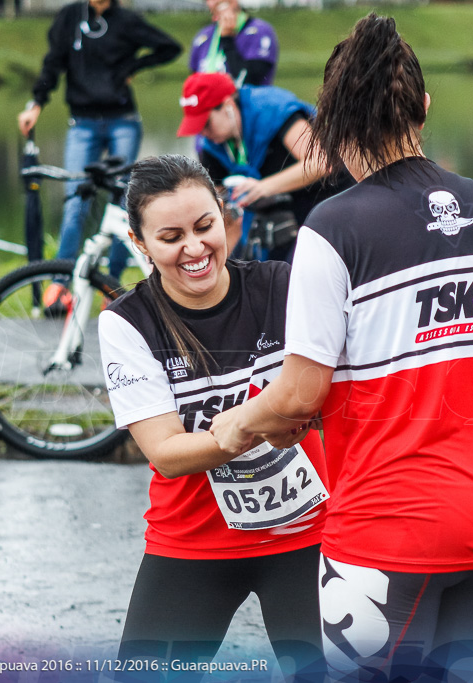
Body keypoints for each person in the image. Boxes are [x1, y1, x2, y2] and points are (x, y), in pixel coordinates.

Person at [210, 14, 473, 680]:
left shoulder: (334, 226)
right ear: (424, 105)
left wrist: (234, 423)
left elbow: (299, 395)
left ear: (329, 125)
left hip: (394, 529)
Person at [97, 155, 328, 680]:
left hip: (309, 535)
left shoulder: (283, 286)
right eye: (171, 236)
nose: (195, 248)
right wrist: (255, 421)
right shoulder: (126, 321)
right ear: (139, 244)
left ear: (225, 217)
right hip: (192, 541)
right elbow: (167, 454)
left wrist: (254, 421)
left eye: (205, 227)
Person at [17, 0, 181, 307]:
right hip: (82, 123)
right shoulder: (70, 17)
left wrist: (133, 67)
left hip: (123, 122)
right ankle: (61, 283)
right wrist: (36, 103)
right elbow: (53, 62)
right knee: (76, 200)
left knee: (124, 204)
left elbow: (169, 47)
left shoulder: (127, 20)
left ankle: (114, 286)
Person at [177, 72, 350, 262]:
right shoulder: (210, 145)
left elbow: (320, 162)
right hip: (277, 214)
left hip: (331, 200)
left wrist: (263, 188)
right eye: (197, 126)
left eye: (206, 123)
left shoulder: (272, 109)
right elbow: (220, 211)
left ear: (228, 105)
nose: (203, 132)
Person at [189, 0, 278, 87]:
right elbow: (195, 86)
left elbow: (250, 80)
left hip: (244, 101)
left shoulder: (259, 31)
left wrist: (227, 39)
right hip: (210, 102)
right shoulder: (203, 36)